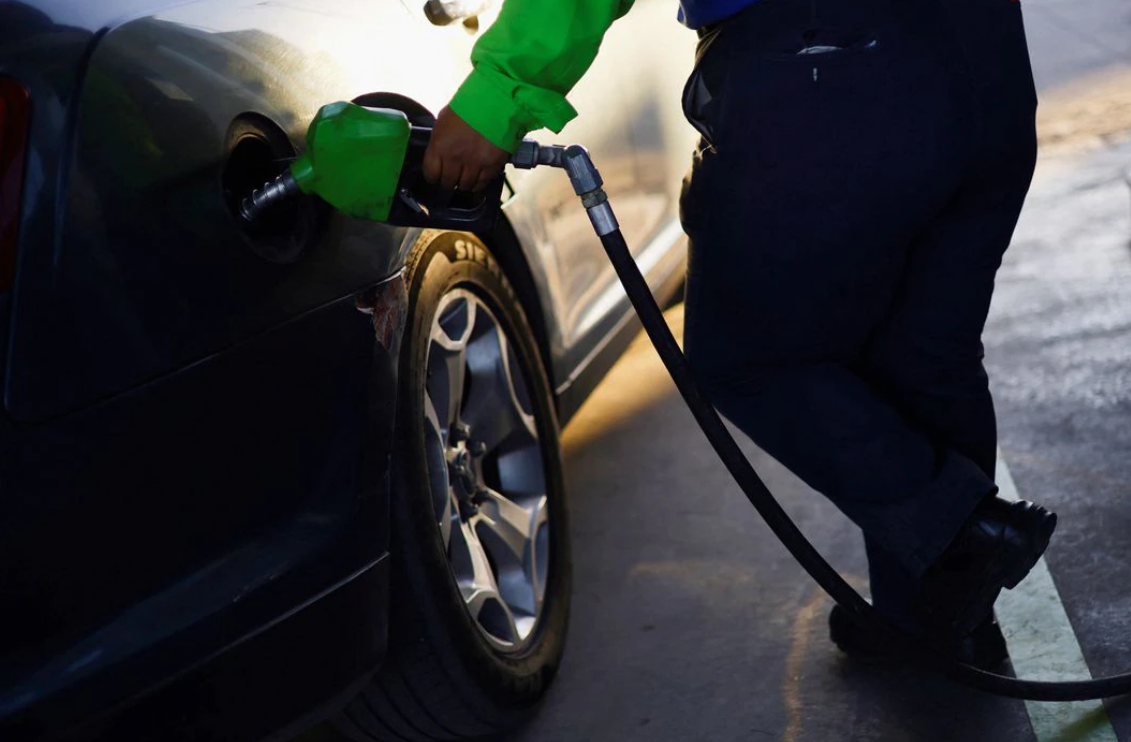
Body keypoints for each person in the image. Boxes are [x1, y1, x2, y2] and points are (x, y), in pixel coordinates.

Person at [423, 0, 1057, 668]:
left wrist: (495, 96)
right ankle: (934, 618)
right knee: (926, 354)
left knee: (747, 360)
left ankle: (960, 538)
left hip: (827, 60)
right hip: (984, 58)